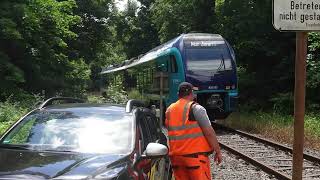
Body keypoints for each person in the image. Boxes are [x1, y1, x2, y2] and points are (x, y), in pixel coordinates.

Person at [165, 82, 222, 180]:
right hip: (195, 158)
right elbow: (209, 132)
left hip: (176, 159)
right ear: (191, 93)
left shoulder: (169, 110)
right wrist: (217, 150)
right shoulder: (196, 109)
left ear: (179, 94)